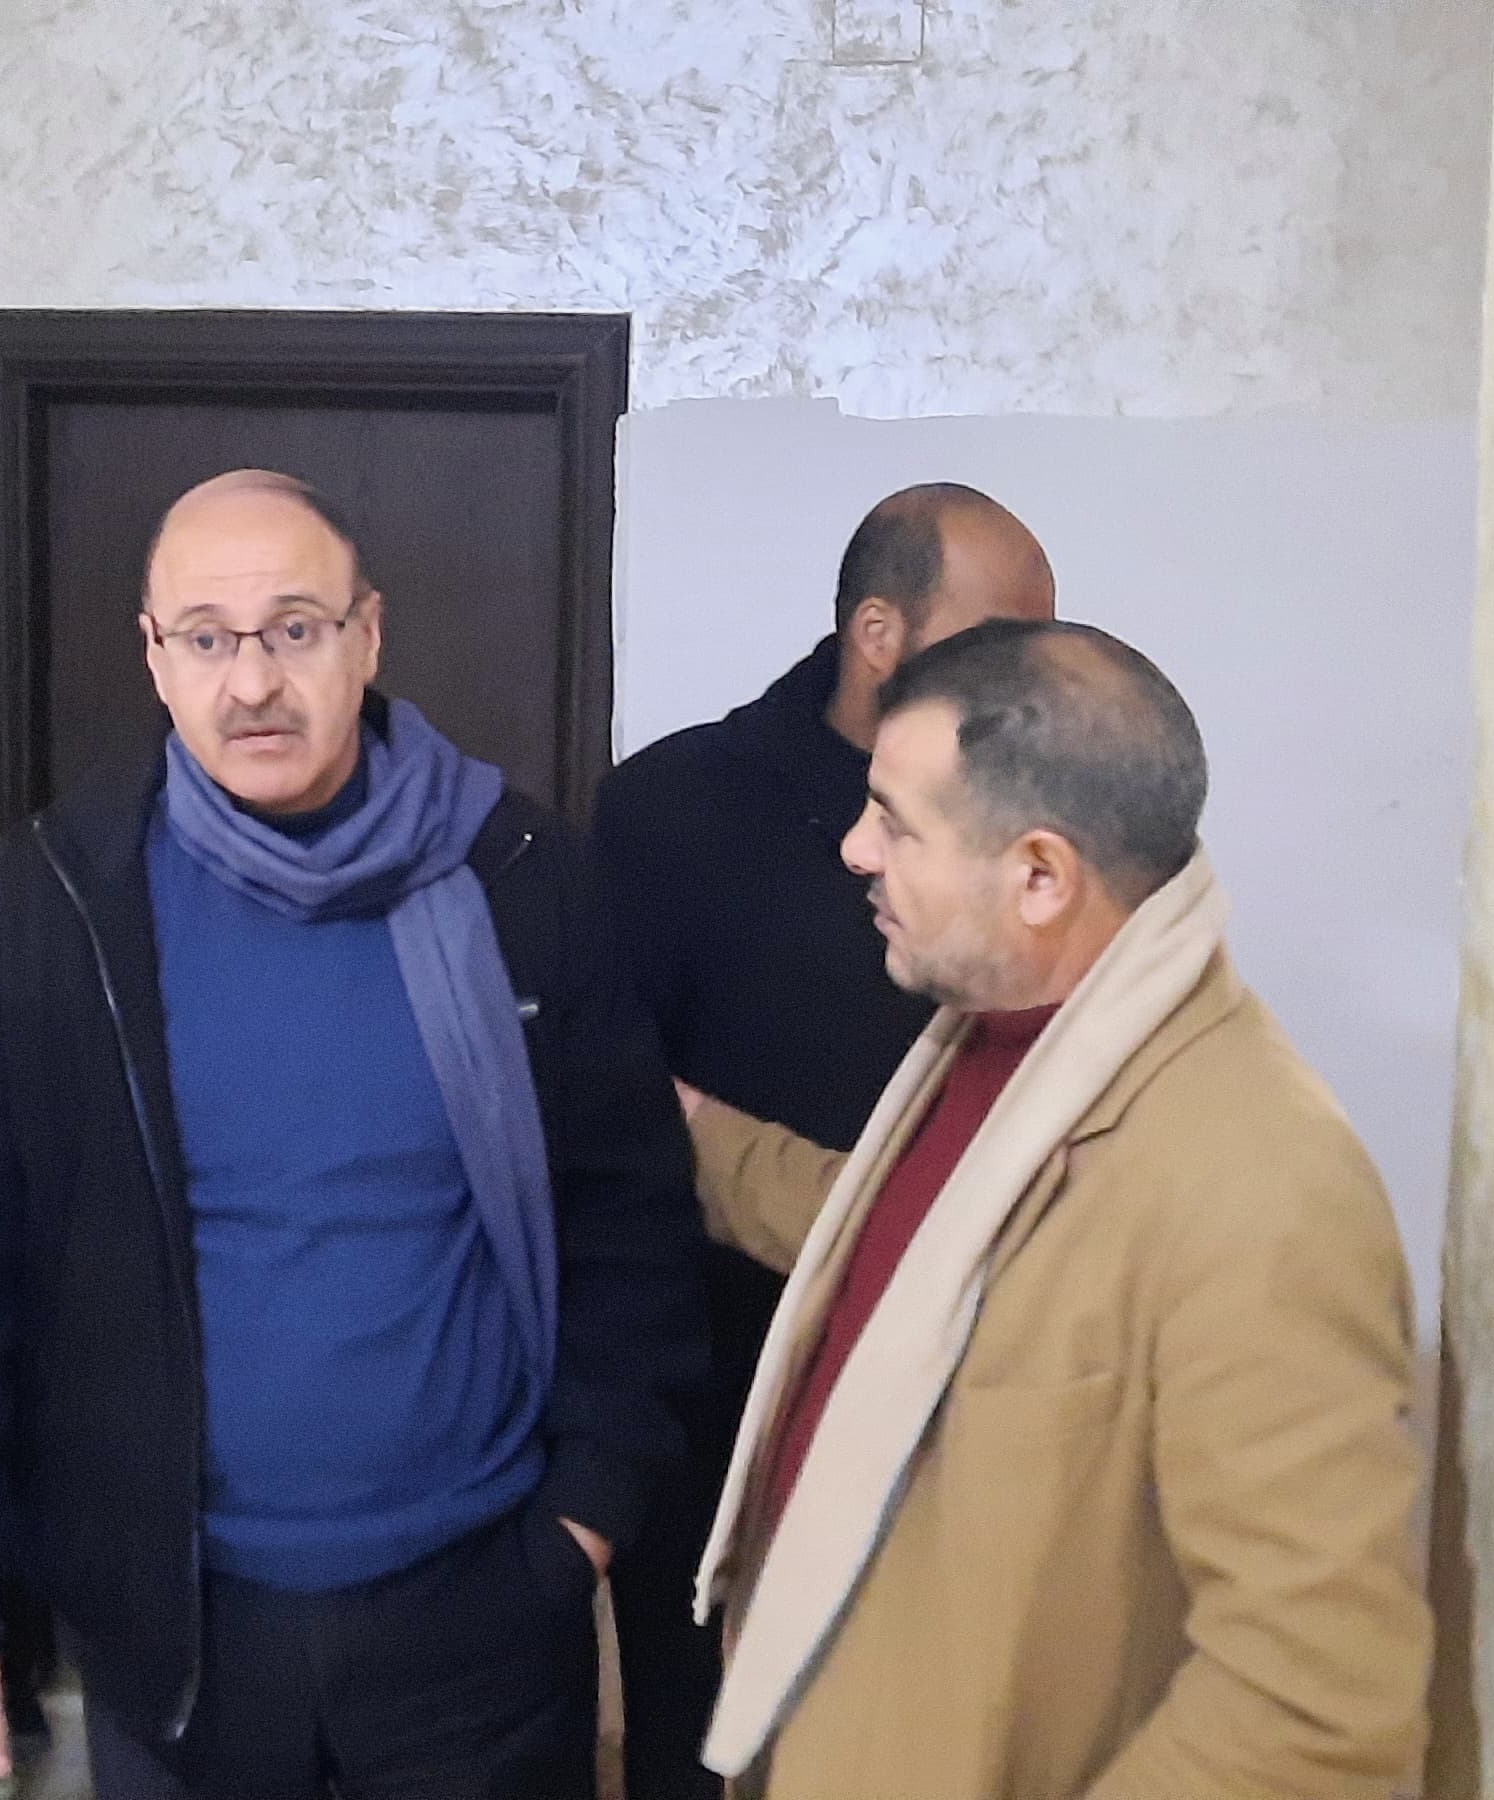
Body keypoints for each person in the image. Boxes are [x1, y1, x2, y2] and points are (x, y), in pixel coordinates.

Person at [0, 470, 709, 1800]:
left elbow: (627, 1216)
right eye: (205, 638)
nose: (251, 683)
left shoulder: (519, 877)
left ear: (367, 635)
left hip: (480, 1617)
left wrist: (581, 1521)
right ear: (153, 656)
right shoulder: (36, 912)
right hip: (177, 1636)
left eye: (294, 629)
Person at [679, 620, 1429, 1797]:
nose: (855, 849)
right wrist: (683, 1136)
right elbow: (899, 1246)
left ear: (1038, 876)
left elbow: (1313, 1705)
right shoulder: (1005, 1036)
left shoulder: (1265, 1190)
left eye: (894, 822)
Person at [589, 481, 1055, 1799]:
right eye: (997, 638)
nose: (1028, 677)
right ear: (876, 633)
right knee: (698, 1751)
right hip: (711, 1403)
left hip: (949, 1389)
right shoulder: (671, 809)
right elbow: (609, 1136)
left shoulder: (1036, 834)